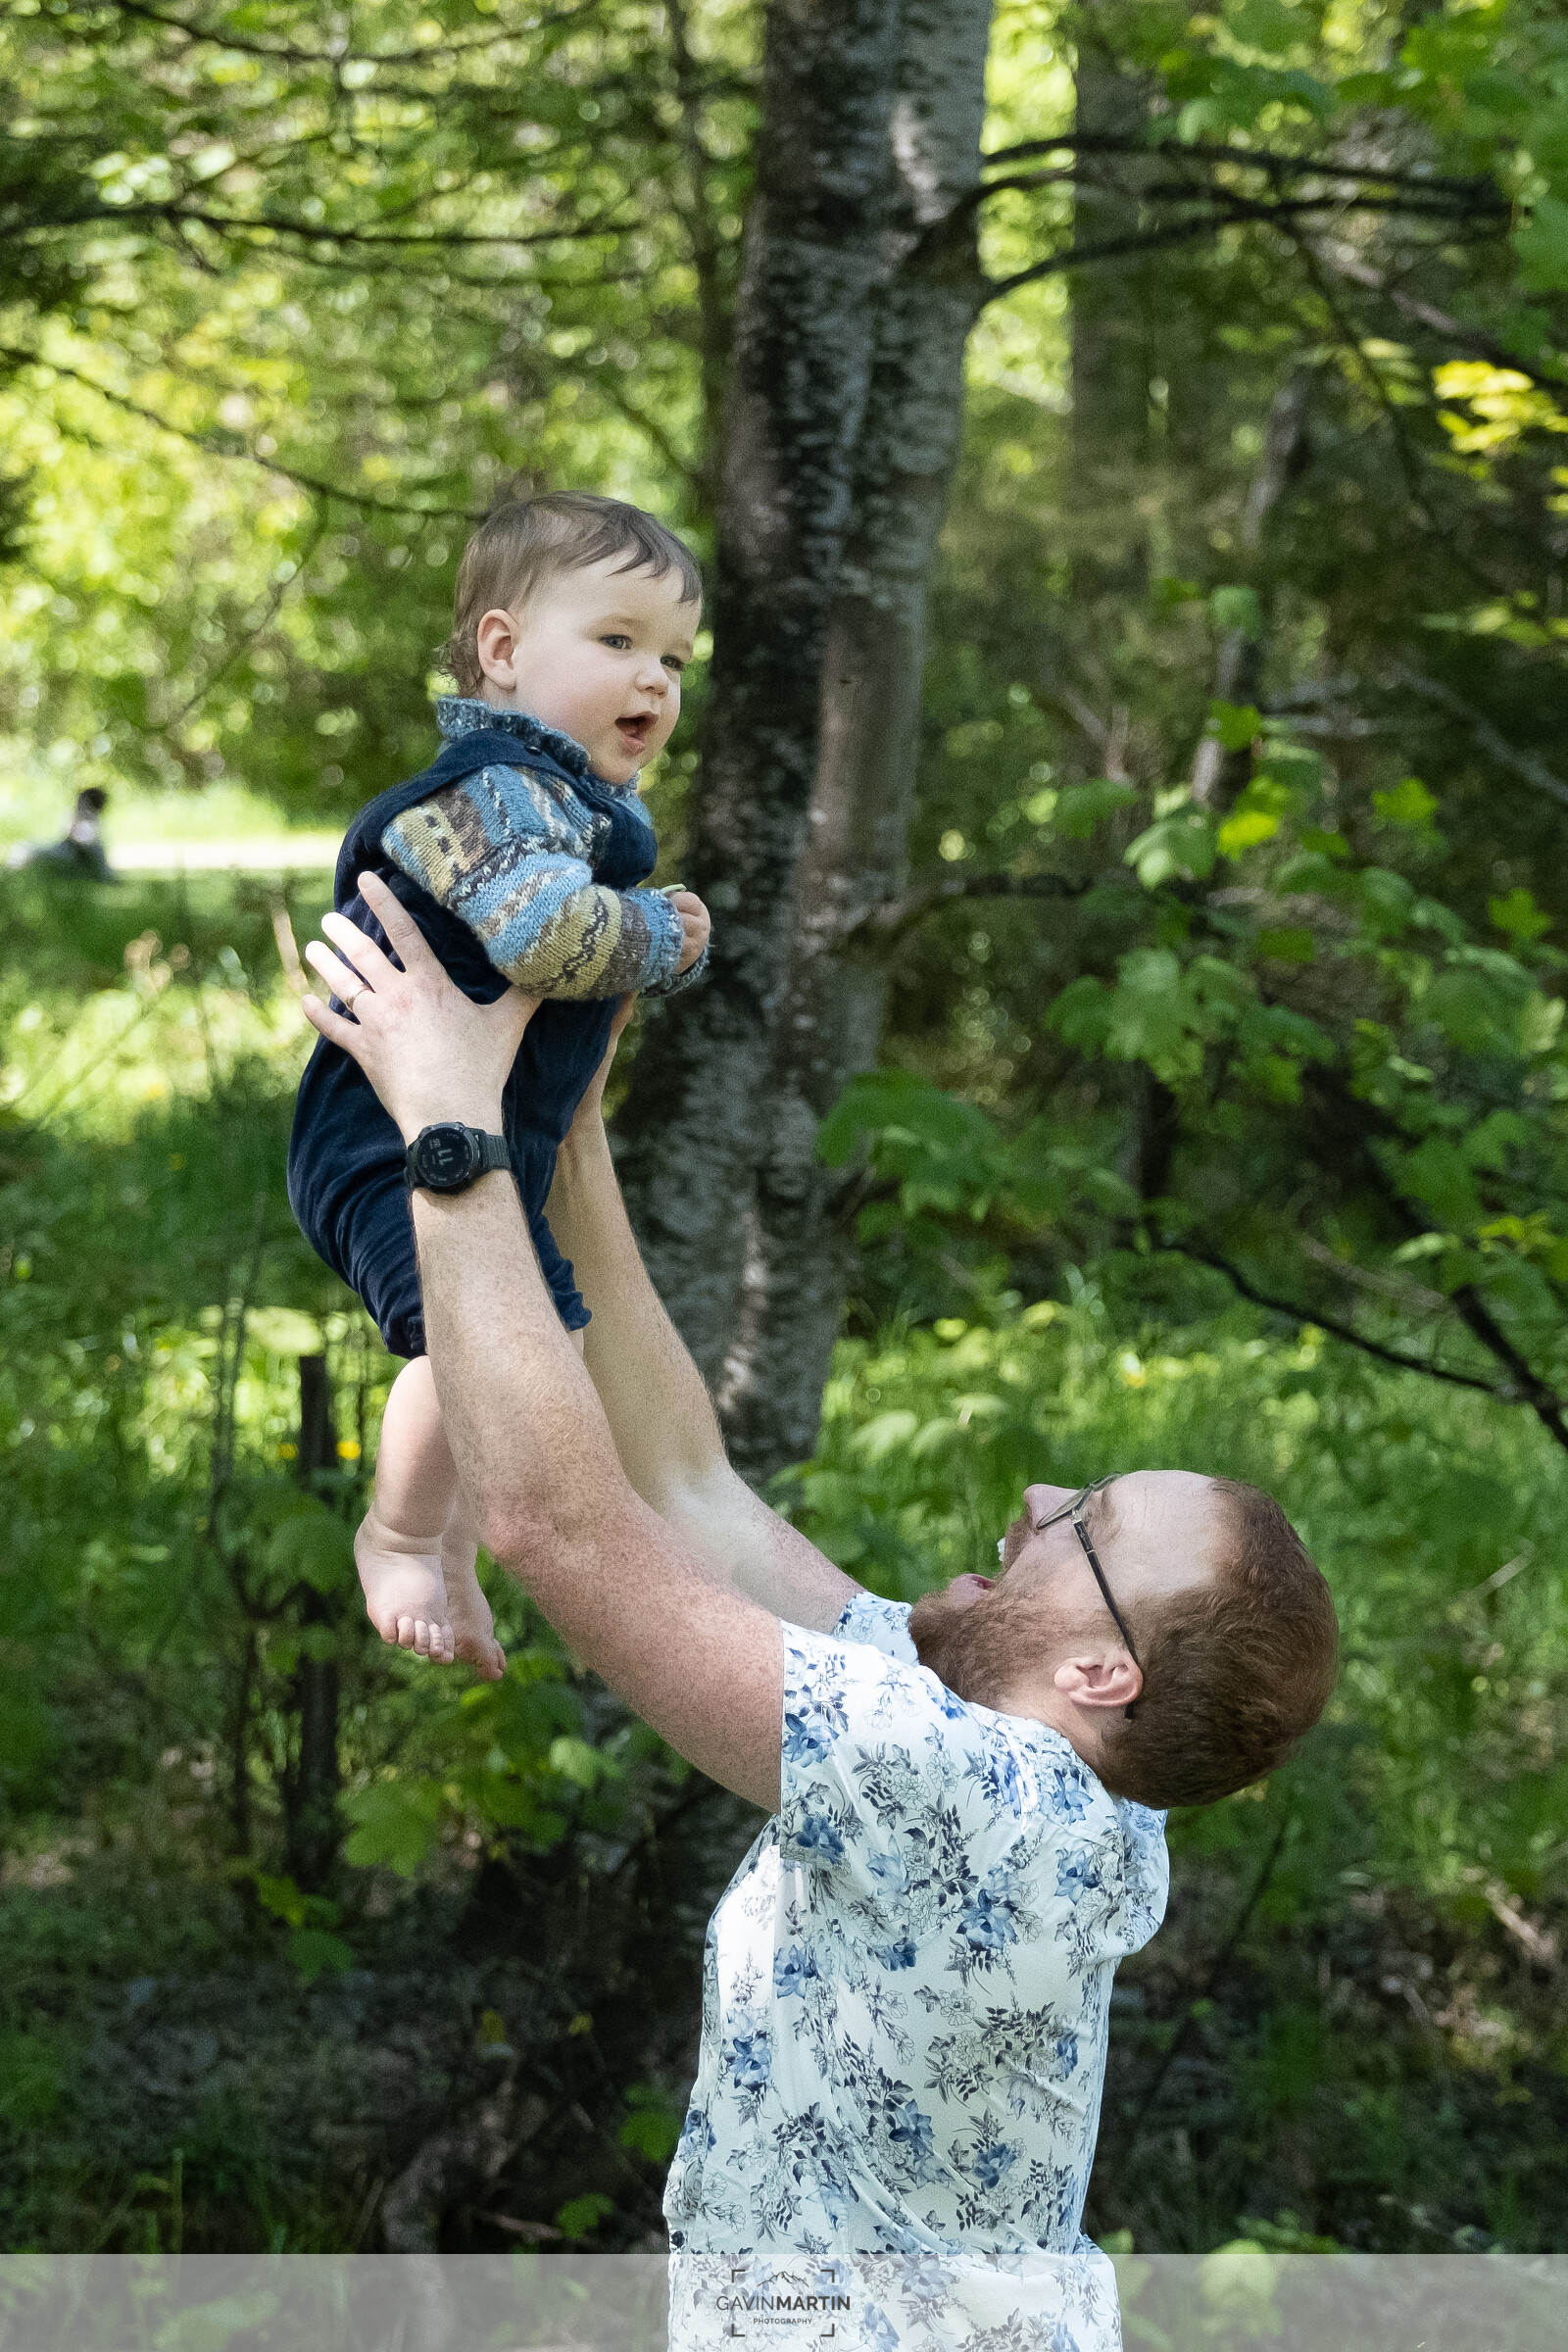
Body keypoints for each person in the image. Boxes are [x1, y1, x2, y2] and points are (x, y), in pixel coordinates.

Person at [299, 879, 1340, 2350]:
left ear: (1103, 1670)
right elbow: (692, 1490)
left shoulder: (983, 1800)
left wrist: (451, 1125)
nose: (1040, 1496)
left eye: (1087, 1526)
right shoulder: (1027, 1760)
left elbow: (558, 1529)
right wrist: (567, 1129)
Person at [286, 491, 711, 1684]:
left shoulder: (568, 802)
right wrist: (664, 937)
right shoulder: (491, 795)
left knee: (539, 1350)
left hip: (482, 1132)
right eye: (620, 640)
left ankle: (454, 1543)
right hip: (385, 1136)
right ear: (503, 649)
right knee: (480, 1345)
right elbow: (545, 938)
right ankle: (399, 1532)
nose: (657, 678)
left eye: (676, 658)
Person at [9, 786, 113, 880]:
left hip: (73, 855)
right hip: (71, 853)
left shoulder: (90, 822)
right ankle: (14, 868)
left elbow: (78, 839)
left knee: (27, 848)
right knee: (26, 848)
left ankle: (13, 869)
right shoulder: (89, 820)